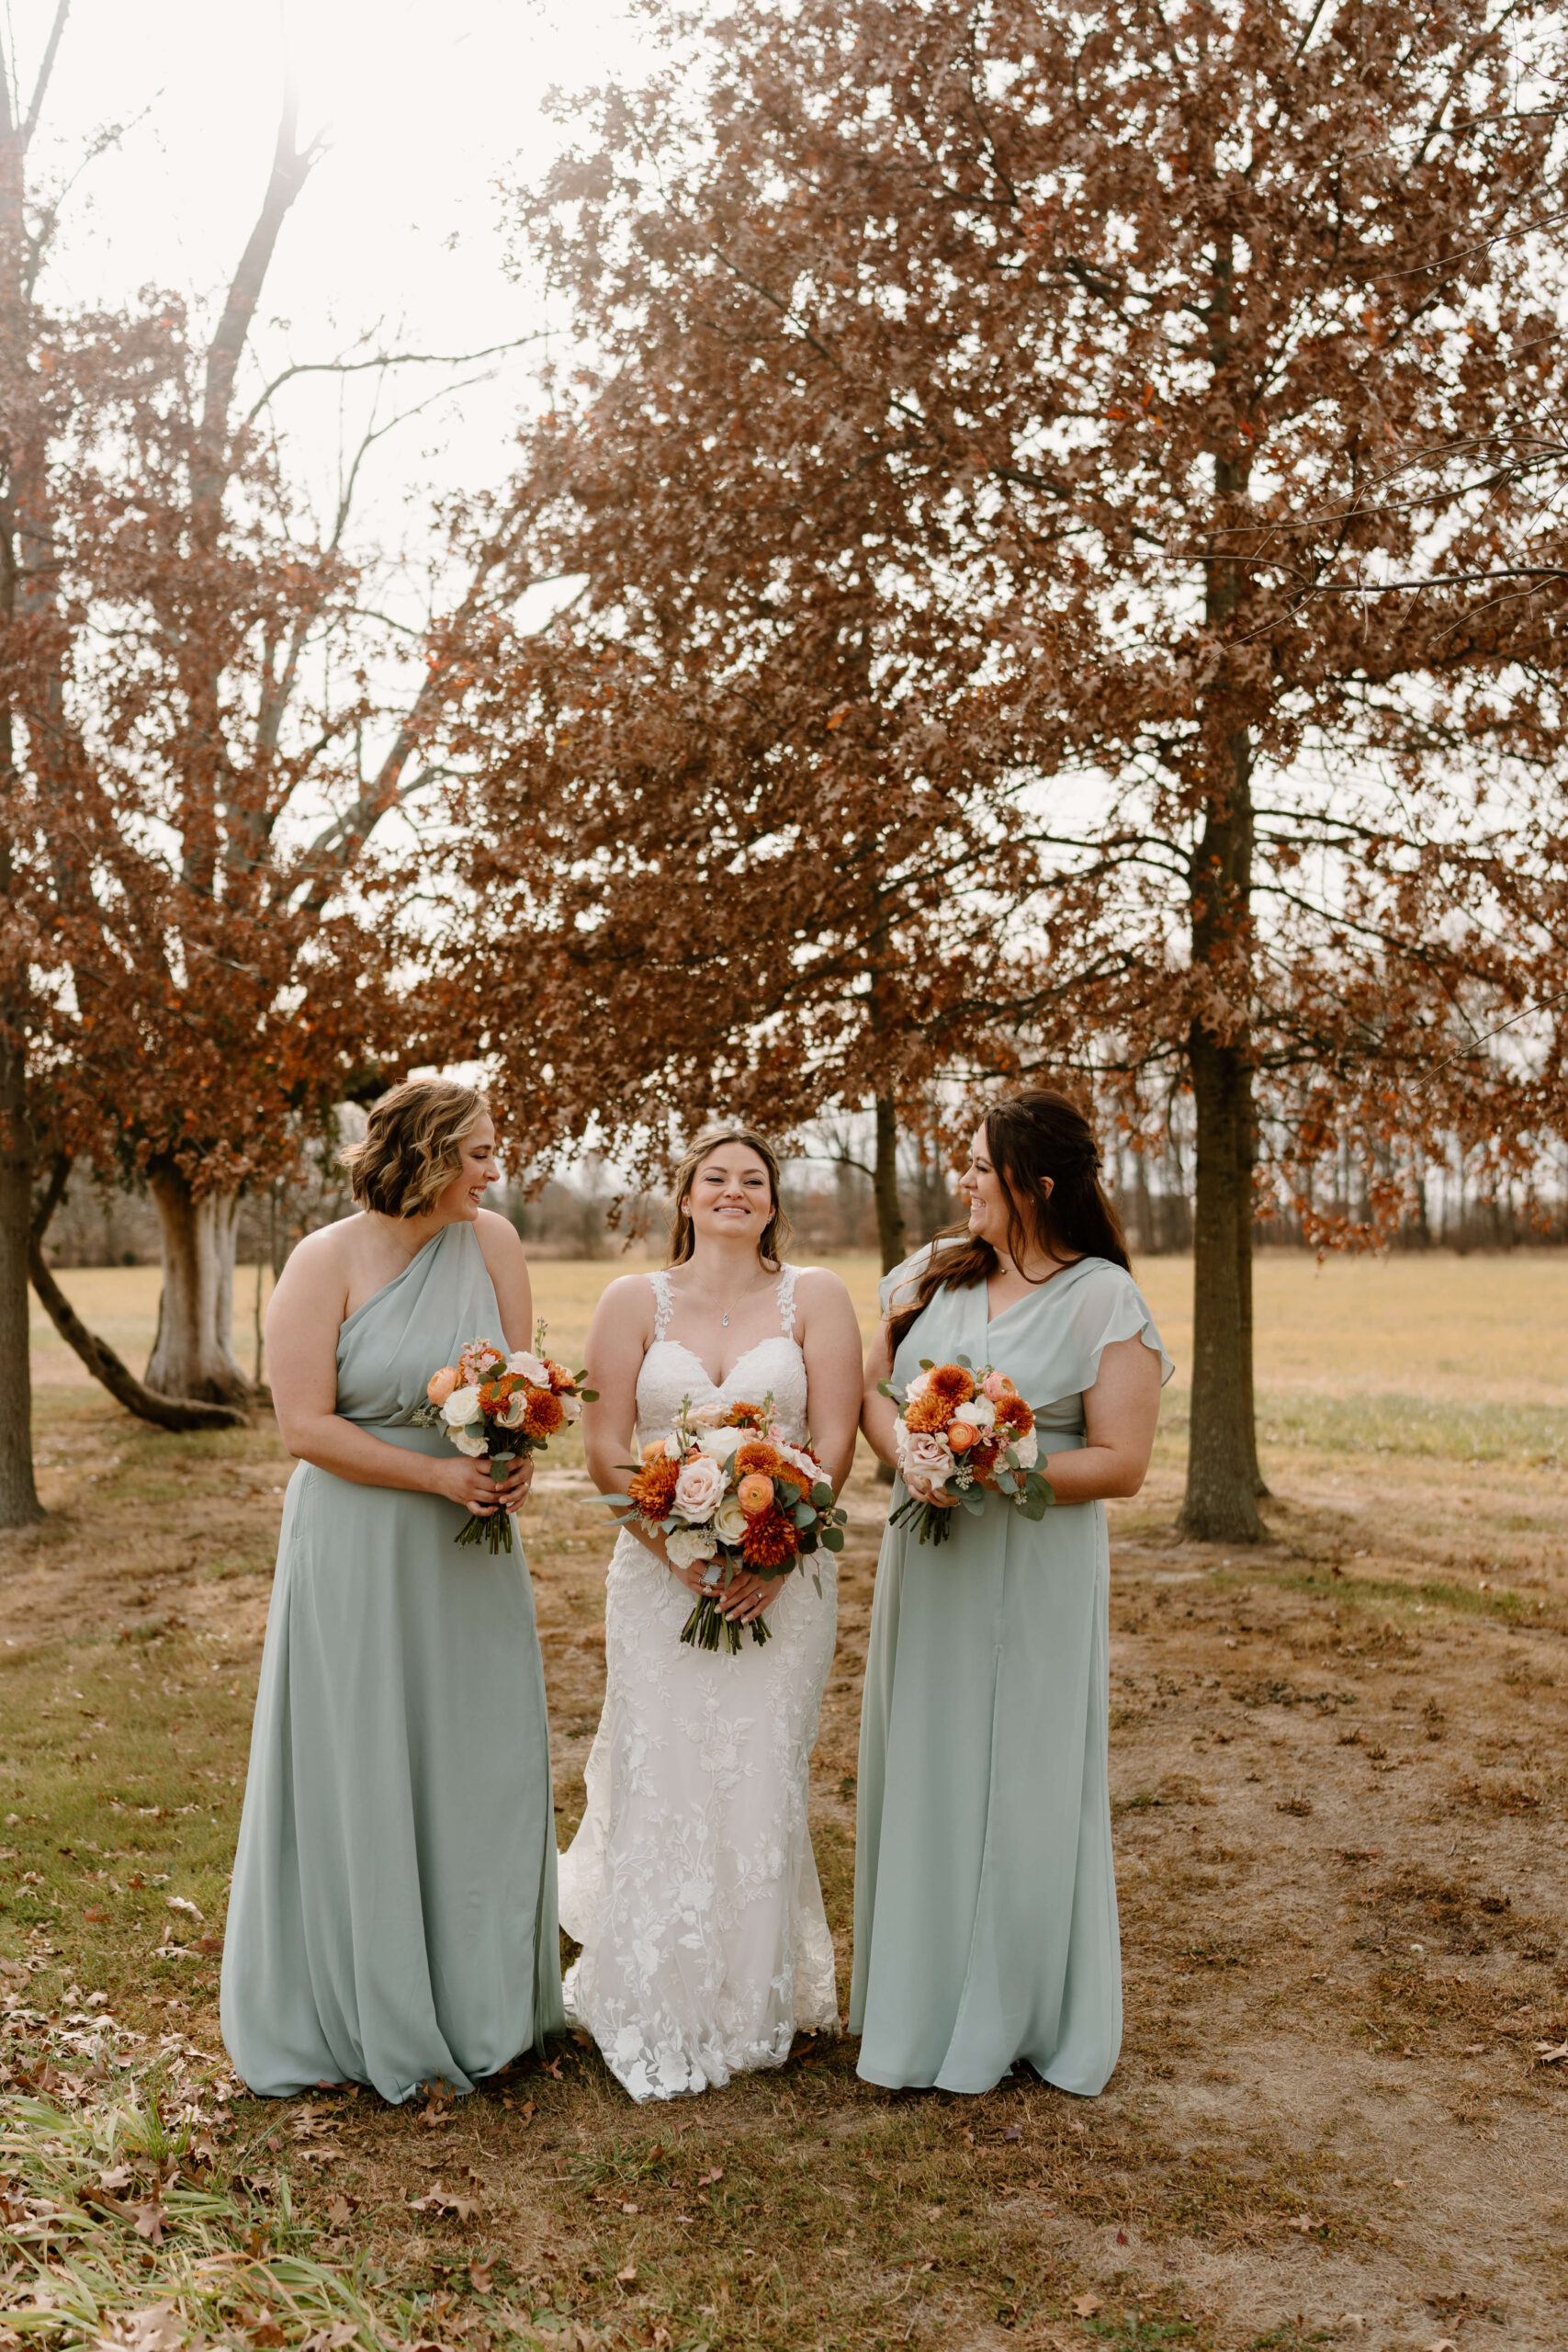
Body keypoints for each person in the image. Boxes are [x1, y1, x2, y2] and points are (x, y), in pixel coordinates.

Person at [221, 1079, 564, 2101]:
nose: (493, 1170)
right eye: (478, 1153)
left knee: (481, 1756)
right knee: (366, 1754)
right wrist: (433, 1476)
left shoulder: (494, 1244)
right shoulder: (322, 1260)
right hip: (359, 1539)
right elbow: (304, 1427)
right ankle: (369, 2002)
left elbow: (520, 1389)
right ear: (424, 1154)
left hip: (471, 1541)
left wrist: (513, 1459)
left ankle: (486, 2008)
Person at [852, 1088, 1172, 2097]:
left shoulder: (1104, 1300)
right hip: (931, 1562)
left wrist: (998, 1465)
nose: (962, 1180)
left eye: (979, 1167)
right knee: (929, 1760)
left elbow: (1122, 1463)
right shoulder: (929, 1273)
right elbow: (870, 1393)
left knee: (1024, 1772)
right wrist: (911, 1455)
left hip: (1036, 1569)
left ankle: (1020, 2007)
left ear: (1034, 1184)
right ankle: (914, 2005)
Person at [559, 1124, 863, 2101]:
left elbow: (835, 1440)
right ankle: (654, 1985)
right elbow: (604, 1448)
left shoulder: (816, 1296)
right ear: (685, 1196)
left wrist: (778, 1553)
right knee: (666, 1764)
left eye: (754, 1180)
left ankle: (748, 1995)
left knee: (762, 1767)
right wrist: (679, 1553)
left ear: (773, 1202)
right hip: (659, 1580)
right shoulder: (630, 1301)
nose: (736, 1190)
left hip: (788, 1578)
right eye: (716, 1178)